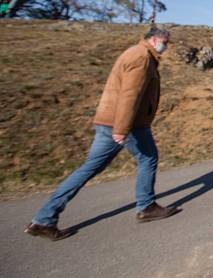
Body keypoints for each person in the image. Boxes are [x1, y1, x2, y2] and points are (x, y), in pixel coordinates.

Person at [25, 26, 179, 241]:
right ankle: (146, 207)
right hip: (127, 124)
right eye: (166, 41)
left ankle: (43, 219)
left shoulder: (134, 52)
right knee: (148, 158)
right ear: (154, 39)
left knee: (88, 168)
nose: (167, 46)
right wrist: (121, 129)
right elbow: (130, 95)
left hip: (109, 121)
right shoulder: (141, 57)